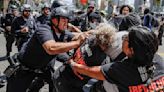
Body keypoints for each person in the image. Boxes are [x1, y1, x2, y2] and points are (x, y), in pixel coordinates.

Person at [6, 6, 87, 92]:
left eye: (67, 20)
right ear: (55, 20)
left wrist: (98, 33)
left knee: (55, 82)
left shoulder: (62, 32)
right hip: (24, 71)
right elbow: (51, 48)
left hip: (42, 68)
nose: (66, 23)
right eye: (64, 20)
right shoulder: (44, 29)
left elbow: (81, 35)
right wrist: (77, 43)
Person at [69, 26, 163, 92]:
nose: (123, 38)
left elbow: (91, 71)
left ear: (131, 50)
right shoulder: (159, 60)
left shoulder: (121, 70)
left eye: (125, 38)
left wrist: (73, 64)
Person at [54, 23, 116, 92]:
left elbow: (74, 41)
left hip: (61, 74)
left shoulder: (89, 38)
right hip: (69, 84)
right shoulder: (103, 60)